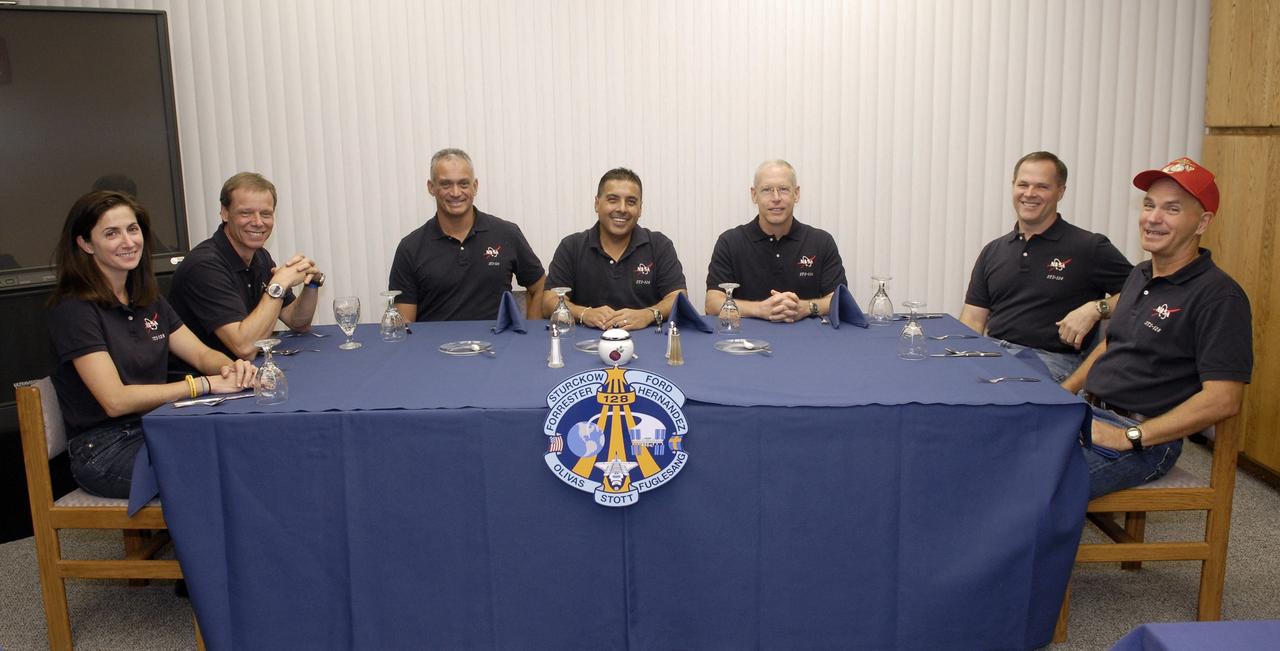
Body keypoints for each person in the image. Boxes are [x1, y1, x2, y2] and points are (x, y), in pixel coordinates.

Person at [1061, 157, 1252, 499]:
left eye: (1172, 209)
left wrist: (1128, 437)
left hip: (1144, 439)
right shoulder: (1141, 273)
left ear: (1203, 222)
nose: (1152, 218)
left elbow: (1223, 400)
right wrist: (1065, 391)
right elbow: (1113, 344)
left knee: (1034, 482)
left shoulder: (1220, 296)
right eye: (1149, 205)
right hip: (1089, 410)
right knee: (997, 448)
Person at [48, 191, 257, 498]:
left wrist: (231, 368)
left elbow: (200, 353)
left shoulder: (147, 299)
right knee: (221, 471)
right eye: (111, 233)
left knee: (247, 446)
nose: (128, 241)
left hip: (157, 425)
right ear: (86, 244)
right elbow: (115, 400)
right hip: (105, 448)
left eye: (132, 229)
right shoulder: (73, 310)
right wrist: (204, 385)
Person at [960, 151, 1133, 381]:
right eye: (1023, 184)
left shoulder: (1089, 247)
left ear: (1060, 192)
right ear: (1013, 186)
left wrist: (1096, 308)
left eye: (1042, 186)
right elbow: (973, 319)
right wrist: (963, 362)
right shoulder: (993, 250)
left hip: (1050, 360)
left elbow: (1143, 294)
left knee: (995, 393)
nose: (1029, 193)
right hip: (993, 353)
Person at [168, 172, 323, 360]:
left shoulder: (260, 256)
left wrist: (312, 283)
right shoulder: (204, 266)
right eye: (246, 213)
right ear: (225, 213)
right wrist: (279, 285)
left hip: (244, 370)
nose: (258, 222)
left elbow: (297, 322)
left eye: (266, 214)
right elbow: (245, 348)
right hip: (205, 376)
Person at [388, 148, 545, 321]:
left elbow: (540, 287)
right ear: (431, 188)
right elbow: (404, 324)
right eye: (446, 184)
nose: (455, 193)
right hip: (435, 340)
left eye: (463, 184)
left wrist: (532, 331)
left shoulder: (507, 234)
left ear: (475, 186)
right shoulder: (410, 248)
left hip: (497, 339)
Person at [543, 168, 686, 330]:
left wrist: (648, 314)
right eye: (613, 200)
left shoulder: (659, 245)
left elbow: (678, 297)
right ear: (597, 204)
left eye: (631, 202)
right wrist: (584, 313)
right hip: (585, 340)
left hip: (646, 338)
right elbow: (549, 301)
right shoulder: (571, 246)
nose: (622, 209)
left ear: (640, 209)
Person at [705, 160, 847, 321]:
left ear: (796, 193)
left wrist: (806, 307)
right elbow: (712, 304)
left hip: (808, 335)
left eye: (784, 189)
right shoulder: (730, 242)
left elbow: (839, 300)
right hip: (747, 336)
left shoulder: (821, 242)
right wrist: (760, 309)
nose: (776, 198)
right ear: (754, 195)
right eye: (766, 190)